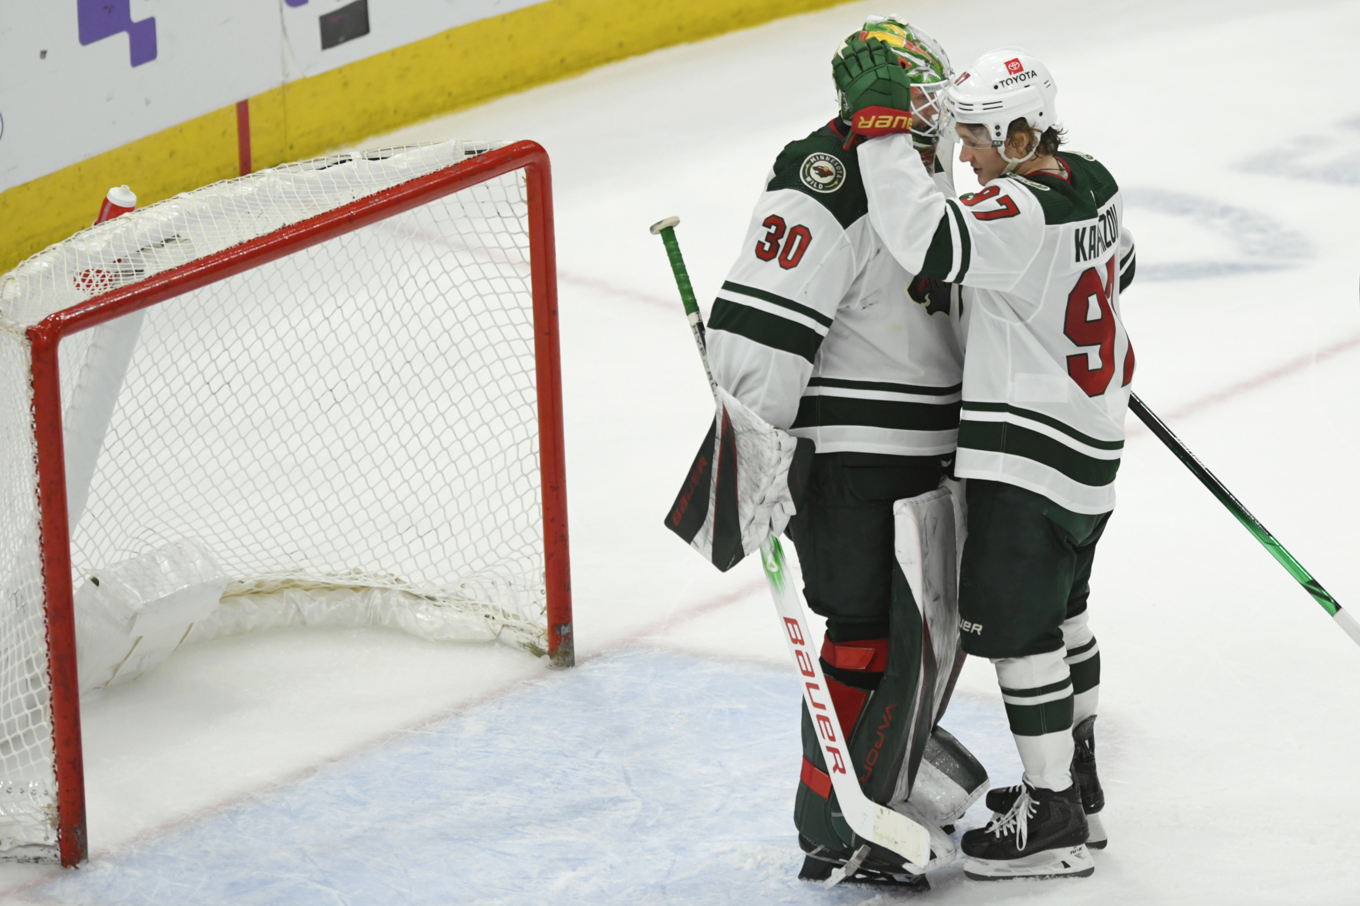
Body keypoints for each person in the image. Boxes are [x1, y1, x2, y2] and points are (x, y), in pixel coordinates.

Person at [834, 40, 1136, 881]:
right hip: (1092, 447)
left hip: (1026, 457)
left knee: (1021, 632)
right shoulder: (1094, 181)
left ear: (1016, 133)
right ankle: (1078, 787)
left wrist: (884, 134)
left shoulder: (1015, 210)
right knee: (1068, 615)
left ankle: (1052, 822)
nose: (963, 155)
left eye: (974, 138)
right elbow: (1121, 273)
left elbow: (924, 239)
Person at [703, 16, 985, 890]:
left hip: (924, 451)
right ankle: (835, 824)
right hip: (857, 458)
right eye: (923, 91)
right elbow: (763, 327)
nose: (939, 110)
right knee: (865, 634)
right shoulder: (824, 173)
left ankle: (885, 783)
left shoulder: (911, 177)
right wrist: (757, 452)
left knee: (925, 634)